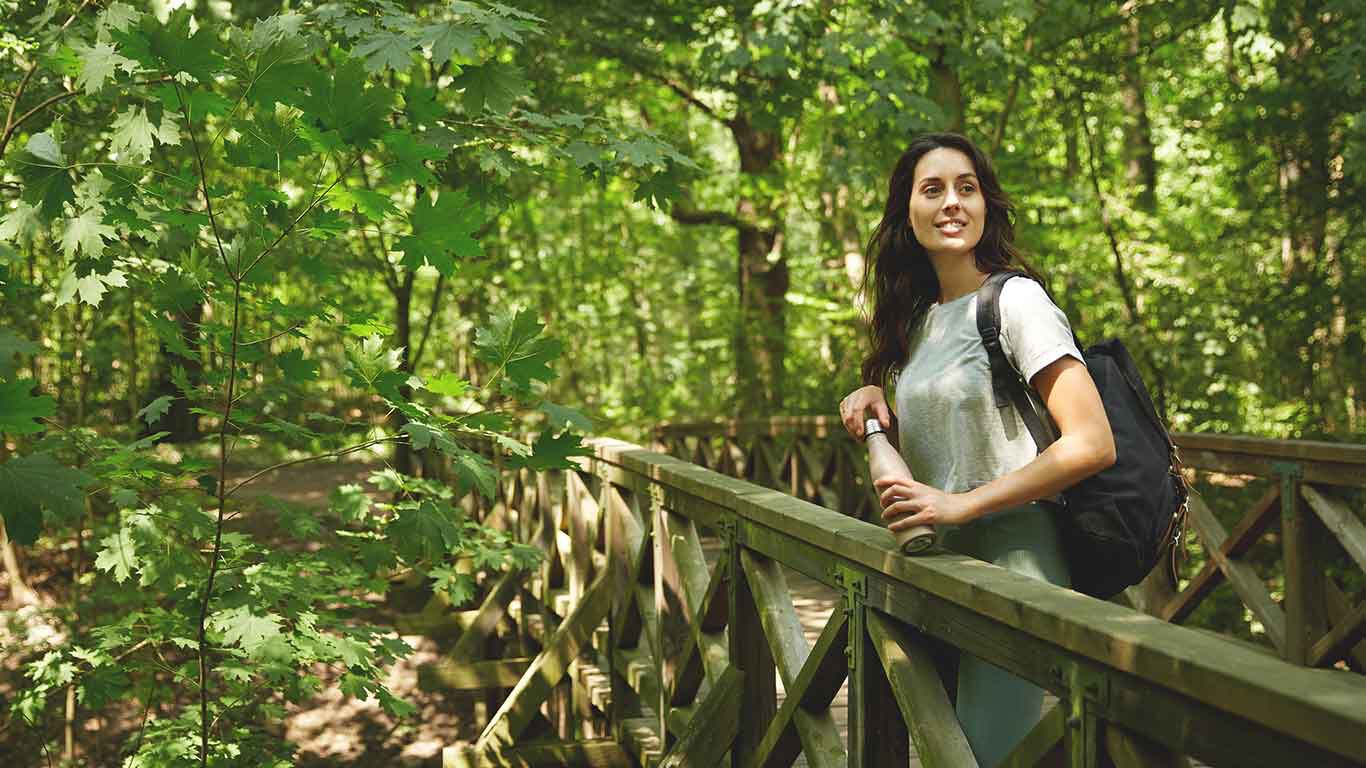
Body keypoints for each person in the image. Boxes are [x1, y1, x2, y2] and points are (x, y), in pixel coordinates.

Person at [837, 132, 1116, 766]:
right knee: (934, 745)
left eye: (967, 188)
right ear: (907, 212)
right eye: (932, 189)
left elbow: (1092, 443)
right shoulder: (916, 320)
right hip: (932, 563)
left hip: (1015, 561)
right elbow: (950, 445)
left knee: (979, 756)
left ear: (987, 205)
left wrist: (960, 508)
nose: (952, 203)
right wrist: (878, 402)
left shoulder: (1016, 301)